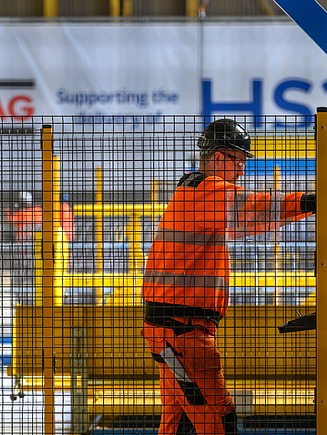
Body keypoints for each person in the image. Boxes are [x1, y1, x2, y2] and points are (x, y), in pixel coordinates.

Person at [141, 118, 316, 435]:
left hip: (170, 333)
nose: (242, 171)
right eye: (240, 161)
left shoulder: (194, 194)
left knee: (178, 421)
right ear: (220, 156)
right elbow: (256, 209)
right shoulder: (206, 191)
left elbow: (249, 221)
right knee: (219, 421)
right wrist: (310, 201)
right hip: (184, 335)